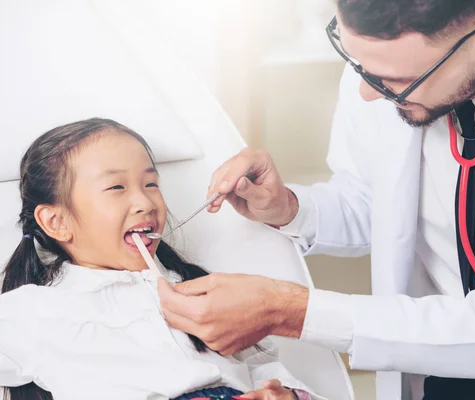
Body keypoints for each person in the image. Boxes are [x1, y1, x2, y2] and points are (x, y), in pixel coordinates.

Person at [157, 0, 475, 399]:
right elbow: (377, 203)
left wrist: (287, 311)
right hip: (444, 365)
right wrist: (290, 208)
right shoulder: (384, 61)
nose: (367, 94)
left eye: (394, 82)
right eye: (358, 67)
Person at [0, 118, 322, 400]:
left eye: (151, 184)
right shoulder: (35, 311)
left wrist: (285, 393)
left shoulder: (204, 292)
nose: (145, 201)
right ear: (58, 223)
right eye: (116, 187)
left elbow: (265, 368)